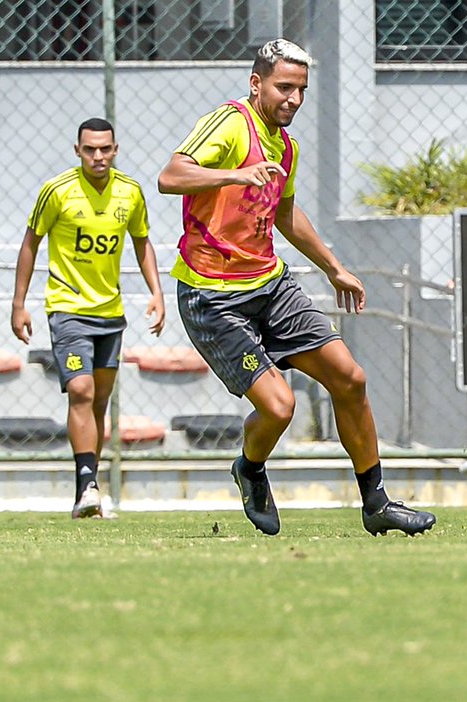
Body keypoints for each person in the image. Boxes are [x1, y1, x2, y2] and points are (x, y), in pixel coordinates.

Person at [156, 39, 435, 538]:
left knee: (350, 379)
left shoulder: (285, 146)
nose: (294, 99)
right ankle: (250, 468)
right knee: (280, 407)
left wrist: (333, 268)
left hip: (270, 283)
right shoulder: (230, 123)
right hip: (212, 295)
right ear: (256, 83)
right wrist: (236, 174)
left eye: (301, 89)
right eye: (284, 87)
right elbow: (170, 176)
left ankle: (376, 503)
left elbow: (284, 213)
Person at [11, 118, 166, 519]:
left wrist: (157, 292)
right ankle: (87, 486)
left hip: (110, 313)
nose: (98, 156)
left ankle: (90, 493)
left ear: (115, 150)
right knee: (80, 390)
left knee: (98, 400)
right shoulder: (57, 191)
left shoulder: (130, 192)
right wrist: (19, 303)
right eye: (90, 149)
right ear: (77, 151)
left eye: (105, 149)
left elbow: (142, 242)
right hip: (67, 309)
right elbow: (31, 243)